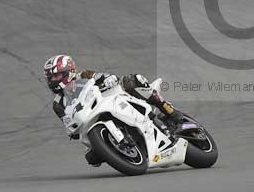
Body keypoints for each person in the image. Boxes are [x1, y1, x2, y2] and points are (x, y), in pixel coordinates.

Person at [43, 54, 183, 166]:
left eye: (56, 76)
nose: (53, 80)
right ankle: (117, 149)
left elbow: (104, 76)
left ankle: (168, 109)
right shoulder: (57, 104)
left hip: (111, 99)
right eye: (50, 78)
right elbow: (67, 123)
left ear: (69, 71)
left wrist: (108, 79)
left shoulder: (84, 75)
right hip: (90, 118)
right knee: (91, 158)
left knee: (132, 80)